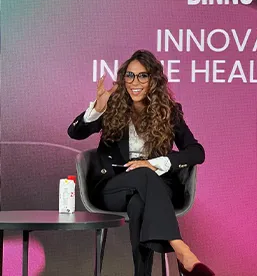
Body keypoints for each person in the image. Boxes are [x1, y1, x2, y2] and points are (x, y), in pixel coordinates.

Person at [68, 50, 215, 276]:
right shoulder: (110, 106)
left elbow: (197, 152)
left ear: (153, 80)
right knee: (143, 176)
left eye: (142, 76)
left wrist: (156, 163)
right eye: (129, 76)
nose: (135, 82)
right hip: (113, 187)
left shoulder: (169, 112)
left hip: (154, 189)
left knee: (138, 204)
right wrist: (97, 109)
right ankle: (182, 250)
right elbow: (75, 133)